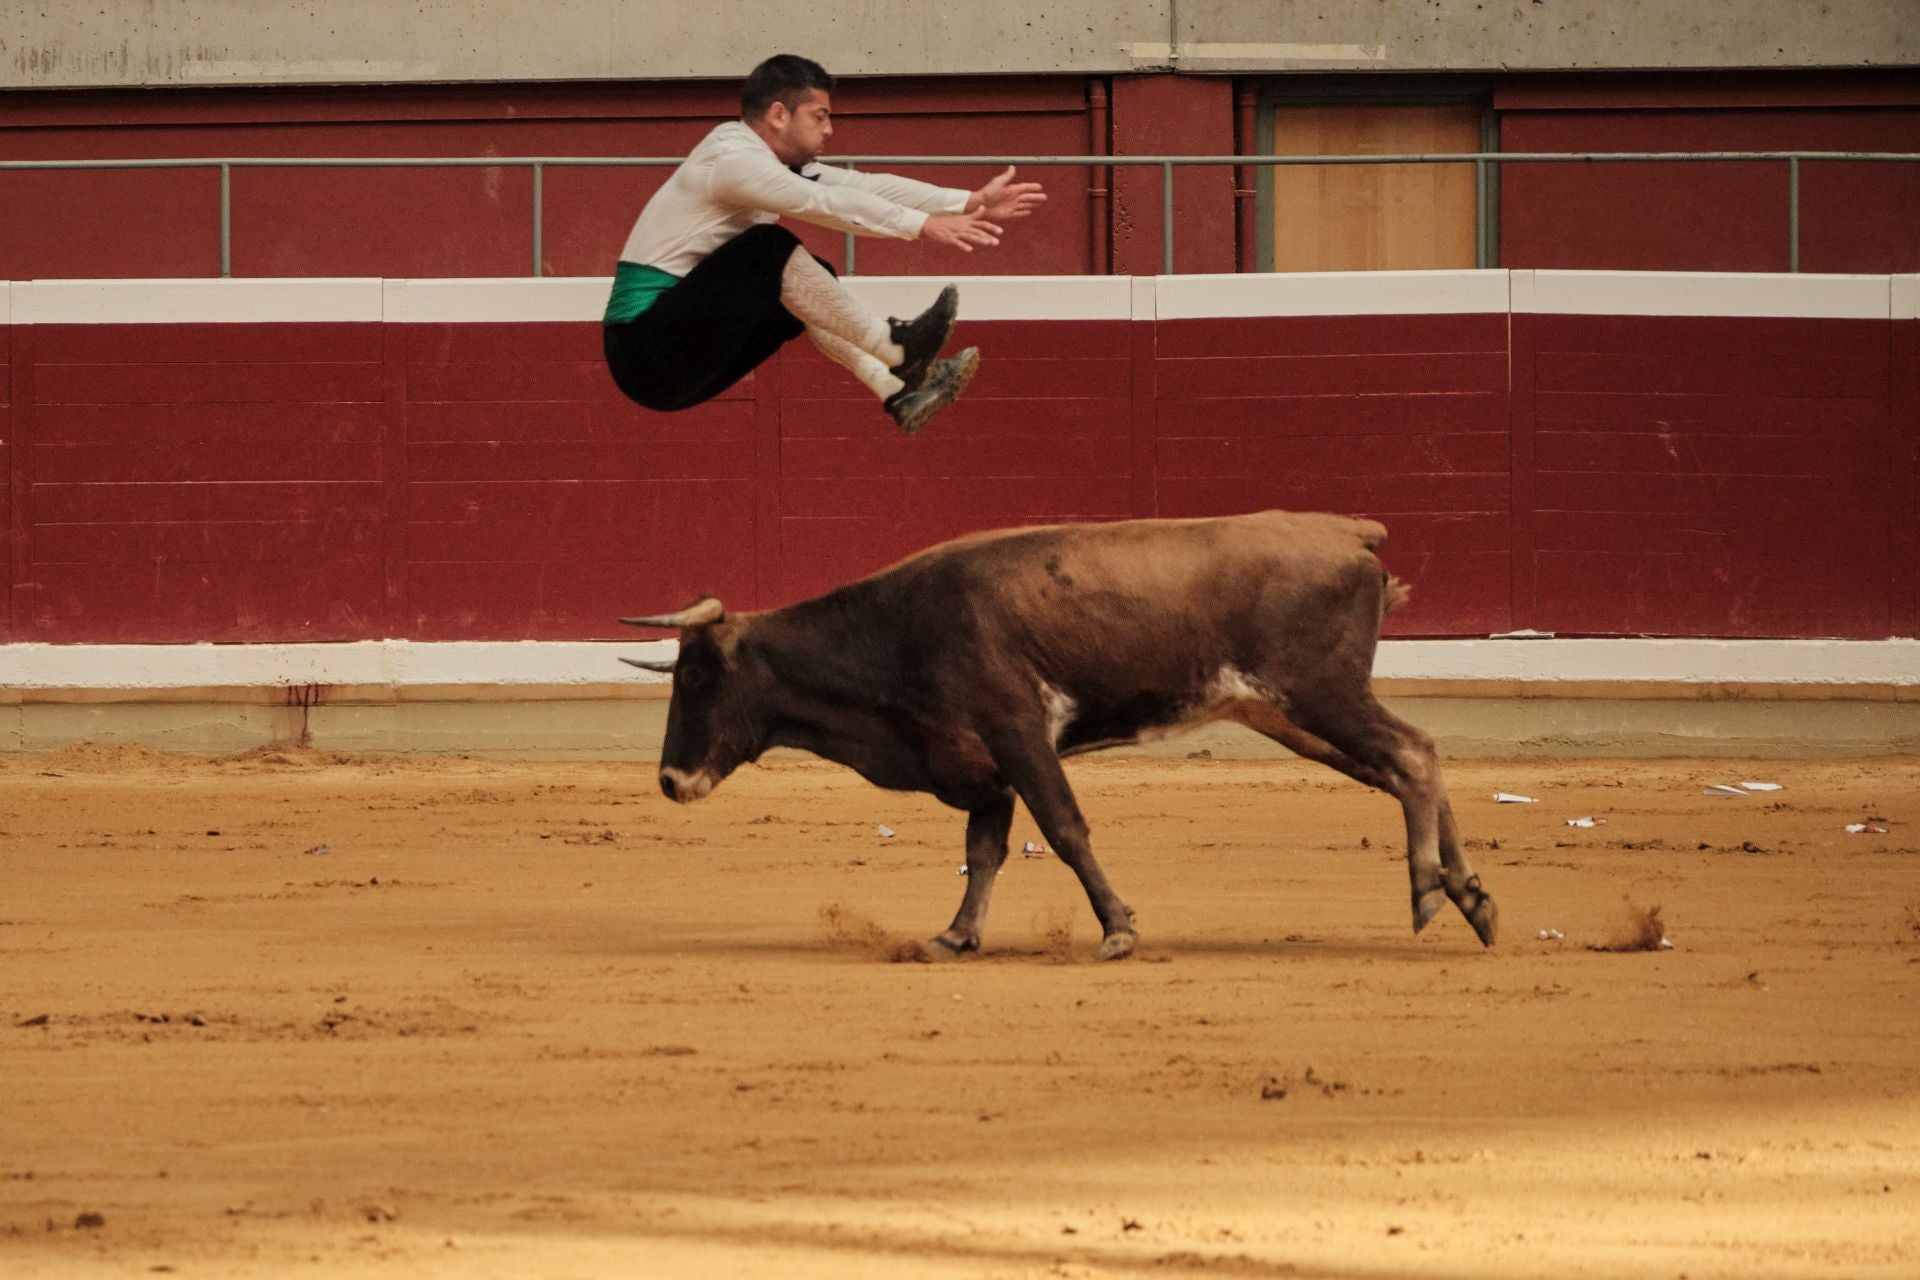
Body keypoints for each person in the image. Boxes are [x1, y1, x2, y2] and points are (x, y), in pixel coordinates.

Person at [602, 54, 1046, 434]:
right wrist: (923, 226)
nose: (830, 130)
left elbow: (865, 185)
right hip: (643, 348)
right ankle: (895, 347)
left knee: (812, 283)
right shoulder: (733, 159)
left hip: (677, 368)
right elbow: (823, 203)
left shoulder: (770, 162)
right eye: (820, 116)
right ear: (778, 115)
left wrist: (967, 201)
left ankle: (897, 389)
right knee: (766, 250)